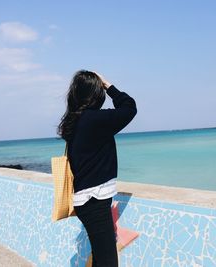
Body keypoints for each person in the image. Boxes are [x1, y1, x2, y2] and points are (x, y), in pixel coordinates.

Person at [57, 70, 137, 267]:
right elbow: (129, 107)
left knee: (101, 258)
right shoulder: (95, 120)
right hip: (94, 200)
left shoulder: (73, 121)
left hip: (86, 201)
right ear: (96, 94)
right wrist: (109, 85)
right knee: (108, 261)